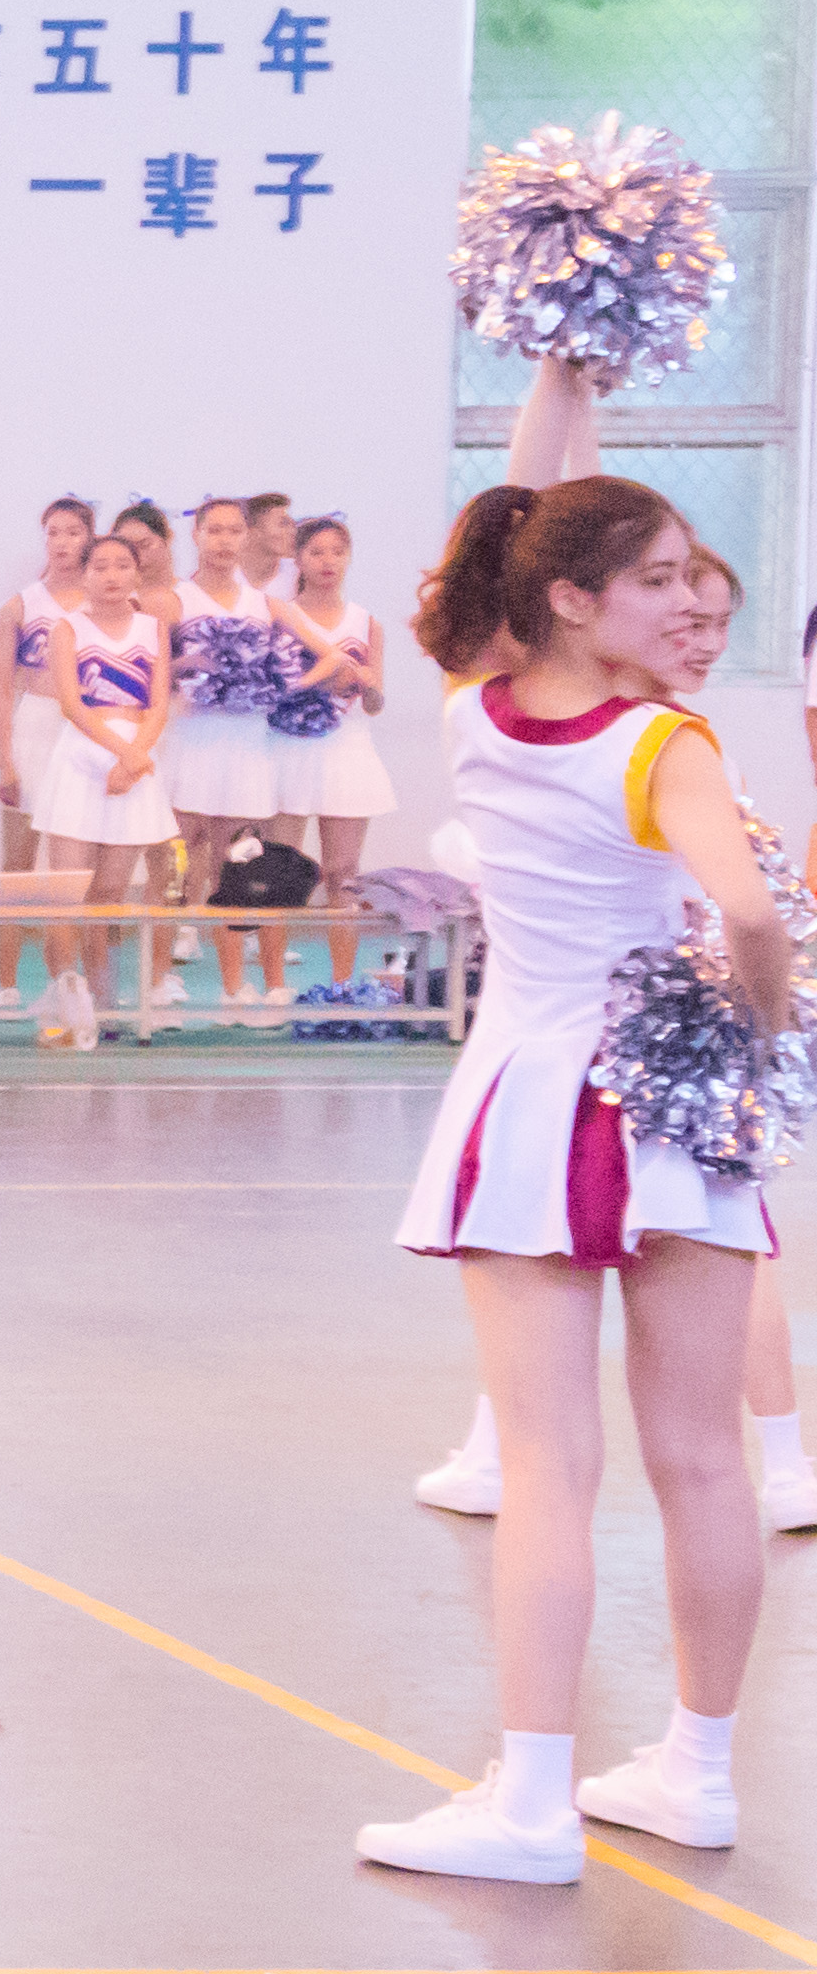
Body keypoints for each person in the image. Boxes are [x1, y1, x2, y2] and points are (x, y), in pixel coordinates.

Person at [356, 443, 786, 1883]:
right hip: (678, 1116)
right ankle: (696, 1773)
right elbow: (752, 914)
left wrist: (566, 380)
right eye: (657, 579)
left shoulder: (473, 718)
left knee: (547, 1464)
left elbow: (523, 510)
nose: (688, 602)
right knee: (703, 1458)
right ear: (572, 597)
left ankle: (534, 1798)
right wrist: (766, 1035)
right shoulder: (668, 747)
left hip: (532, 1114)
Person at [160, 497, 310, 1008]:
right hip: (188, 740)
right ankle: (160, 979)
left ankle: (232, 989)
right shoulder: (172, 601)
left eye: (233, 531)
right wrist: (182, 666)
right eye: (215, 531)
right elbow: (144, 670)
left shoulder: (266, 605)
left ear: (246, 537)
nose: (224, 541)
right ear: (196, 536)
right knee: (173, 863)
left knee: (237, 867)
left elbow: (325, 655)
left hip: (245, 744)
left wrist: (280, 684)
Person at [31, 530, 179, 1041]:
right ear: (85, 574)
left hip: (135, 762)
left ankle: (105, 999)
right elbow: (72, 705)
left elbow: (159, 703)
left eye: (122, 565)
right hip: (82, 760)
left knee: (111, 891)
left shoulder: (153, 627)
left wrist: (135, 759)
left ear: (137, 572)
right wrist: (125, 755)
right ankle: (64, 1001)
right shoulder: (67, 628)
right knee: (67, 892)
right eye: (101, 567)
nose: (112, 576)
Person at [0, 496, 97, 1017]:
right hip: (34, 730)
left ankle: (67, 979)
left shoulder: (105, 603)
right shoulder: (20, 606)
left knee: (70, 867)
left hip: (84, 733)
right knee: (17, 863)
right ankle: (7, 980)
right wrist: (6, 760)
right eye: (53, 532)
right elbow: (3, 690)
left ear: (89, 537)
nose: (62, 542)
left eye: (73, 532)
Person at [284, 514, 396, 972]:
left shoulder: (366, 623)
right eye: (316, 552)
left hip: (348, 750)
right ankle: (274, 982)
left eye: (337, 552)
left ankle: (344, 982)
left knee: (342, 873)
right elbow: (273, 692)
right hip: (289, 747)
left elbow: (375, 704)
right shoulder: (283, 616)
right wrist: (320, 681)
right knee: (280, 870)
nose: (328, 561)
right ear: (298, 559)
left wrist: (367, 686)